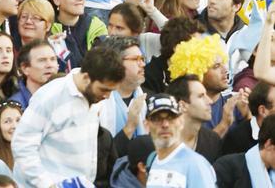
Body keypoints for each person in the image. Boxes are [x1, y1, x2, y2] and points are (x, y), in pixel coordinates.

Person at [11, 46, 125, 186]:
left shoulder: (94, 97)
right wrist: (46, 184)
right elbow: (22, 145)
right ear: (86, 78)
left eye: (111, 91)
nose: (107, 96)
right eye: (104, 89)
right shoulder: (50, 97)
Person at [144, 93, 217, 188]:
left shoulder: (195, 164)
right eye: (157, 119)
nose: (165, 124)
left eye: (171, 118)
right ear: (146, 125)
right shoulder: (153, 161)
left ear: (181, 121)